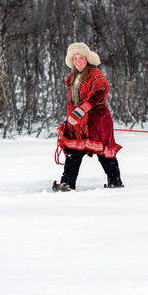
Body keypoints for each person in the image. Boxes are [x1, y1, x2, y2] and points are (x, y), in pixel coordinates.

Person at [53, 42, 123, 191]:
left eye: (81, 58)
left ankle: (115, 182)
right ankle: (67, 184)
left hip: (97, 118)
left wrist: (81, 110)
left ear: (88, 59)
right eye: (75, 58)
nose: (78, 61)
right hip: (78, 121)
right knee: (74, 151)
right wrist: (72, 115)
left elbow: (98, 94)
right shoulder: (72, 77)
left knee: (104, 153)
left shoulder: (96, 74)